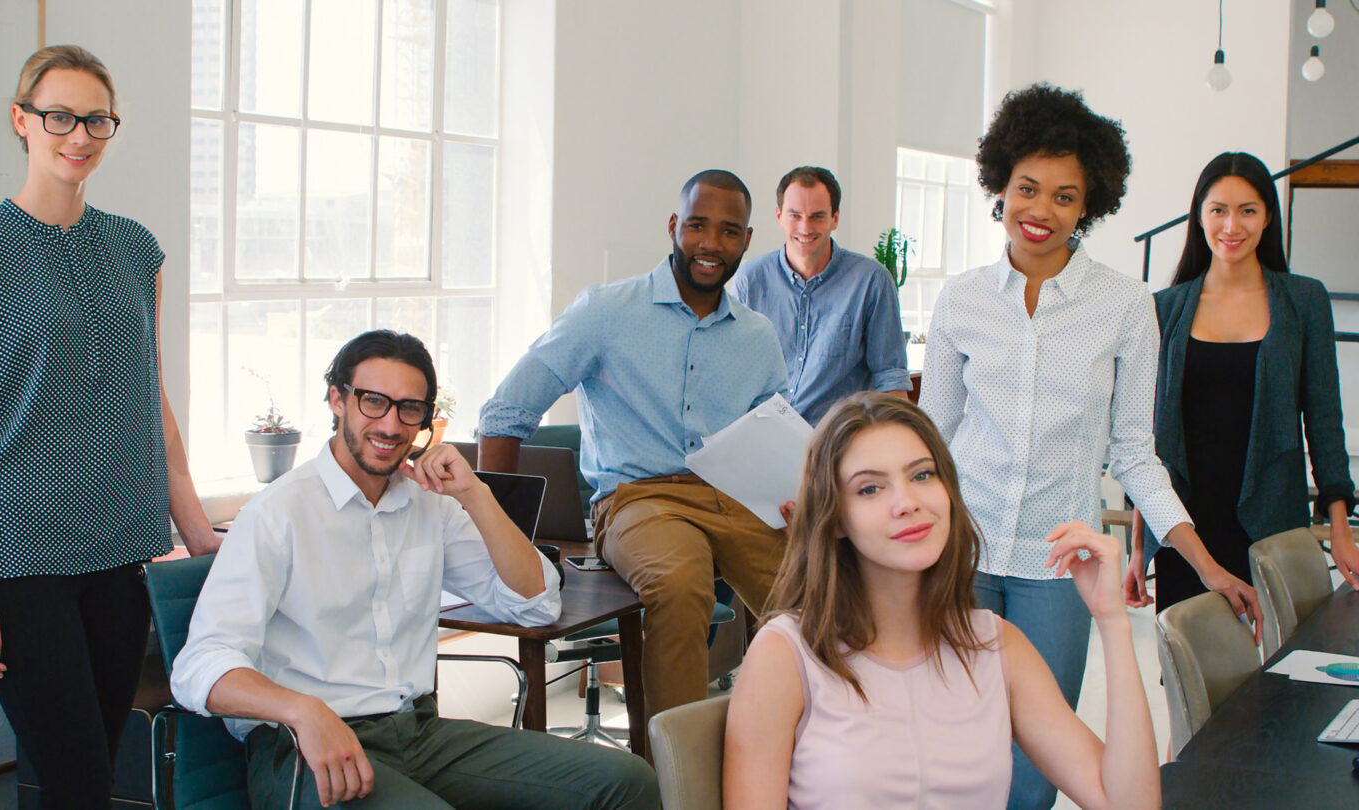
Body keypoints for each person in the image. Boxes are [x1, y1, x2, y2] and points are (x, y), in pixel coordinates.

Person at [918, 83, 1256, 810]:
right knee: (950, 747)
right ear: (999, 187)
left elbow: (1135, 453)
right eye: (1027, 189)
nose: (1041, 211)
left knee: (1038, 765)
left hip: (1055, 567)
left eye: (1065, 197)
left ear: (1089, 205)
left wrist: (1203, 560)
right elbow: (932, 445)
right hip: (958, 556)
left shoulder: (1126, 306)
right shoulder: (962, 300)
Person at [170, 330, 657, 809]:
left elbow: (535, 605)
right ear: (337, 399)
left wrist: (476, 494)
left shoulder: (431, 504)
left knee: (626, 781)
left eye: (409, 409)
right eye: (373, 402)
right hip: (305, 747)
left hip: (419, 733)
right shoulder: (277, 512)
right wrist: (303, 711)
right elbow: (199, 667)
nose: (390, 425)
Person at [0, 45, 221, 808]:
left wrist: (196, 529)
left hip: (121, 547)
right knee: (79, 777)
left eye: (97, 119)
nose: (78, 135)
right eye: (59, 116)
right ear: (22, 121)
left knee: (97, 766)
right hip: (21, 560)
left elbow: (148, 395)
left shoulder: (136, 250)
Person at [723, 393, 1160, 809]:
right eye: (870, 489)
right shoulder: (785, 654)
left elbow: (1130, 804)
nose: (907, 502)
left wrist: (1111, 619)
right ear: (835, 518)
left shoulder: (996, 644)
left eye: (922, 475)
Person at [477, 169, 790, 721]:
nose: (711, 244)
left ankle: (798, 754)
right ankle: (674, 778)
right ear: (674, 226)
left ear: (746, 239)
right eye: (697, 225)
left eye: (729, 231)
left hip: (734, 498)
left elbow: (775, 437)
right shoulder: (606, 312)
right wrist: (498, 530)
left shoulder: (757, 337)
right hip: (639, 498)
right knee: (681, 585)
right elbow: (506, 412)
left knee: (817, 590)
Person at [1123, 152, 1359, 612]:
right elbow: (1146, 442)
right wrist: (1137, 549)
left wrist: (1341, 529)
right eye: (1218, 210)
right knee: (1192, 670)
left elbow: (1326, 421)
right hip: (1185, 525)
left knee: (1275, 668)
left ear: (1268, 216)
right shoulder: (1164, 308)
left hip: (1272, 516)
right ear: (1199, 217)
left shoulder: (1303, 300)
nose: (1232, 226)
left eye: (1247, 211)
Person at [731, 166, 910, 425]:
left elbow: (889, 377)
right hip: (764, 437)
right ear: (779, 216)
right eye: (795, 215)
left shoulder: (872, 281)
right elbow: (735, 371)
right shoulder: (750, 280)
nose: (805, 227)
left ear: (834, 219)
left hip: (837, 441)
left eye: (817, 216)